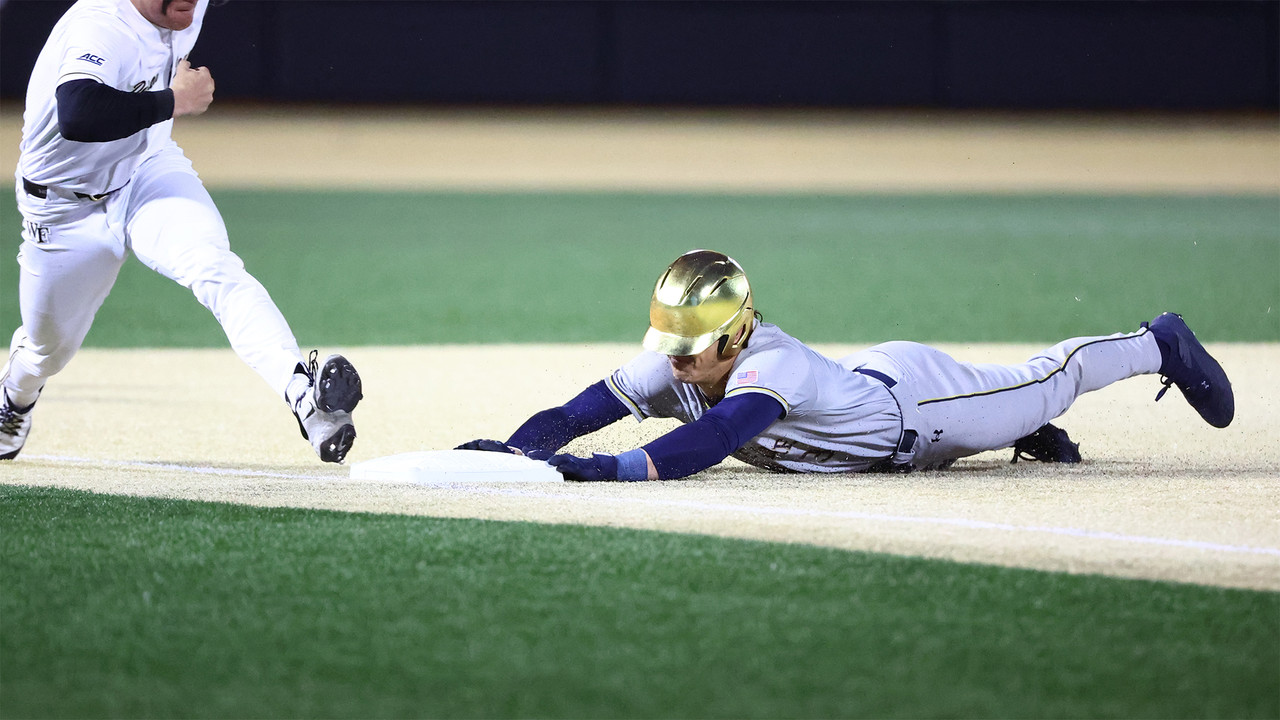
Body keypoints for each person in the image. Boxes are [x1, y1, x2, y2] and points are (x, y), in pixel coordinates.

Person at [458, 249, 1233, 481]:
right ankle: (1016, 436)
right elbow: (577, 412)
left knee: (1044, 383)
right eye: (671, 346)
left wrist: (601, 471)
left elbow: (712, 441)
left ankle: (1155, 341)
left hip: (921, 412)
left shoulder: (770, 370)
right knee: (1015, 421)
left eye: (692, 349)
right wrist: (522, 451)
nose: (675, 363)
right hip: (862, 392)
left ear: (735, 336)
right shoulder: (677, 359)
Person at [1, 0, 362, 463]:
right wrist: (175, 100)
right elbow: (77, 113)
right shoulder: (101, 25)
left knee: (214, 266)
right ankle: (15, 397)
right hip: (64, 207)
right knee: (45, 351)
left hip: (145, 170)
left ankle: (306, 401)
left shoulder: (184, 4)